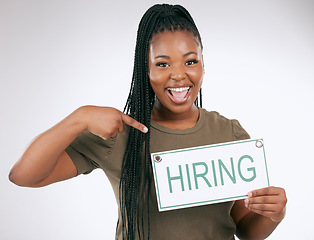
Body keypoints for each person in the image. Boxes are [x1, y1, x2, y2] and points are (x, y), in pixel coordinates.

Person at [9, 3, 287, 240]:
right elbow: (23, 176)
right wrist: (79, 117)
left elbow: (246, 230)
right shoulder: (119, 134)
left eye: (190, 61)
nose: (178, 75)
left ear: (203, 62)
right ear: (146, 68)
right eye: (163, 64)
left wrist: (274, 214)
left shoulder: (229, 133)